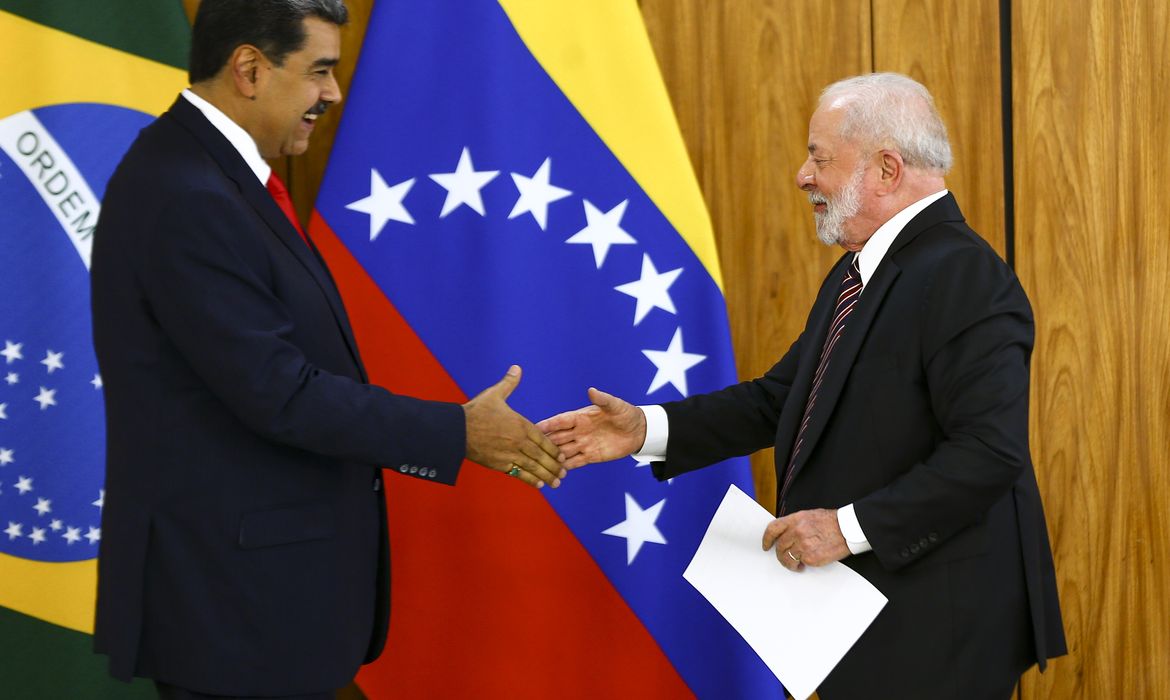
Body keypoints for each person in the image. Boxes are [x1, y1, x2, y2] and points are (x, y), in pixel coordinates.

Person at [538, 73, 1065, 699]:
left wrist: (845, 529)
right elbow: (781, 399)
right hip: (866, 618)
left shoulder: (963, 276)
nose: (802, 176)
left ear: (887, 170)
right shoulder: (862, 270)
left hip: (939, 622)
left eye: (819, 157)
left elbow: (988, 453)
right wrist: (646, 429)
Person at [90, 1, 564, 697]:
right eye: (319, 71)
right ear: (249, 69)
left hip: (258, 607)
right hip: (230, 611)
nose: (333, 94)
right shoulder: (185, 190)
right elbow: (279, 391)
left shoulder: (213, 175)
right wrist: (455, 432)